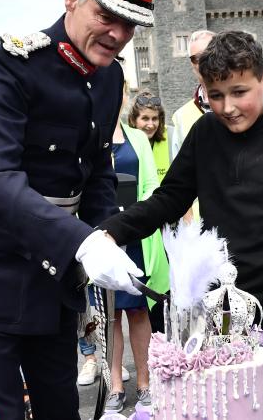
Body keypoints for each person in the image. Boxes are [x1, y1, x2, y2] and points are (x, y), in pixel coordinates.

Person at [0, 0, 168, 418]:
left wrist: (108, 236)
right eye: (106, 15)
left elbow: (98, 169)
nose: (118, 34)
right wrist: (83, 243)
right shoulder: (9, 65)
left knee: (61, 407)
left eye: (130, 24)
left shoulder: (108, 79)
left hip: (54, 275)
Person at [88, 30, 263, 398]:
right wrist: (110, 232)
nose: (227, 107)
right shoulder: (204, 133)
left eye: (239, 92)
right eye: (216, 95)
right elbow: (169, 199)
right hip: (222, 312)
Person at [97, 94, 169, 413]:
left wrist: (132, 219)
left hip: (135, 236)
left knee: (138, 311)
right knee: (108, 315)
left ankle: (144, 382)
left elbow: (152, 185)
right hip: (99, 237)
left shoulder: (137, 137)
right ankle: (114, 385)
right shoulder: (88, 134)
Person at [168, 30, 216, 160]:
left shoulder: (252, 100)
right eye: (197, 58)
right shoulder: (181, 116)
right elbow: (179, 171)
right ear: (192, 63)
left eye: (209, 54)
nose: (204, 62)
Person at [129, 92, 170, 181]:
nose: (151, 125)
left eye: (155, 119)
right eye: (145, 118)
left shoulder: (171, 137)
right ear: (133, 120)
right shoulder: (125, 143)